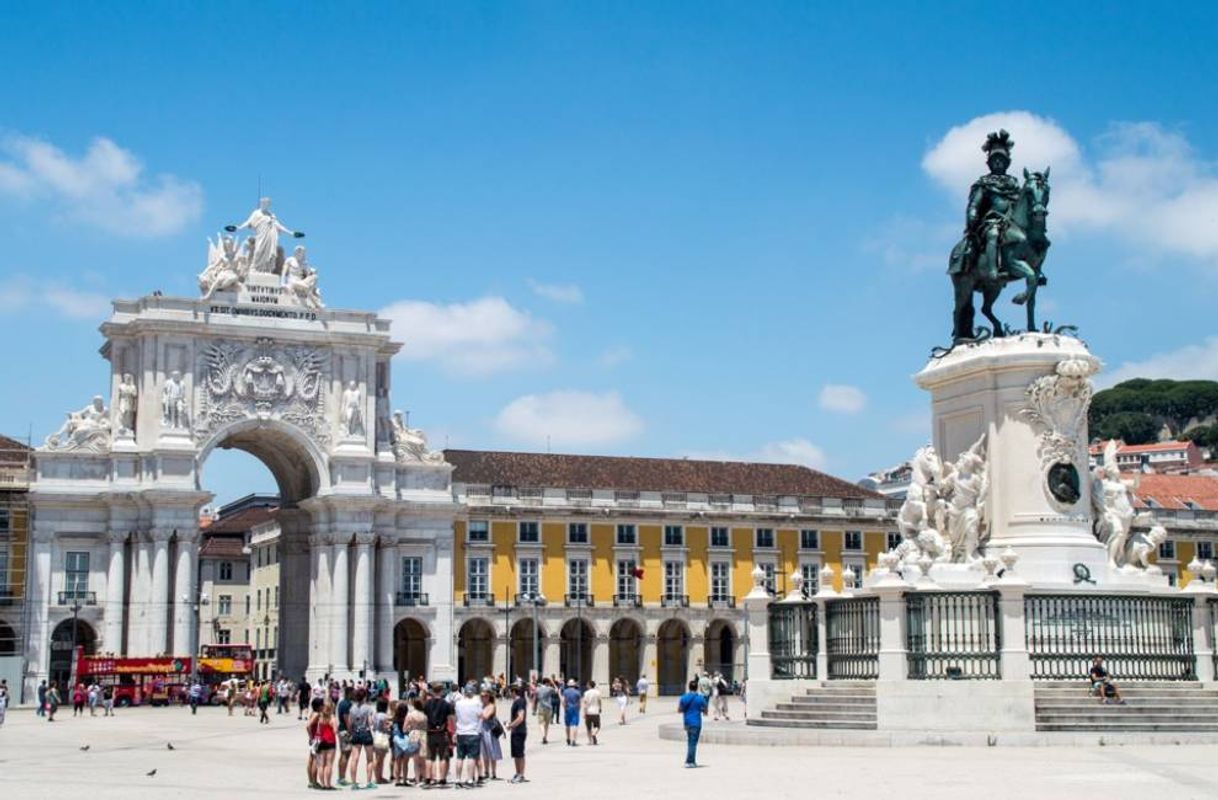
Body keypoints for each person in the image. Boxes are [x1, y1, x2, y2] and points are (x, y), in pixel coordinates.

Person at [423, 681, 454, 787]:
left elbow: (424, 718)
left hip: (430, 732)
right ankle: (442, 779)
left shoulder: (427, 703)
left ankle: (428, 778)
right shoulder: (446, 704)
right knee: (443, 757)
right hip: (442, 733)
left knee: (429, 757)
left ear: (432, 690)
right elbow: (450, 719)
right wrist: (453, 732)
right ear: (441, 691)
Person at [453, 684, 484, 788]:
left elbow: (456, 717)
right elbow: (481, 715)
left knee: (460, 757)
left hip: (461, 732)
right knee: (471, 757)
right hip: (473, 732)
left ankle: (457, 779)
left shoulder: (458, 703)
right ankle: (470, 779)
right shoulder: (476, 703)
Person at [346, 688, 377, 789]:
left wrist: (351, 732)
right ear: (364, 697)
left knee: (354, 759)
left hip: (356, 733)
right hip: (366, 732)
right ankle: (368, 782)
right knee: (369, 759)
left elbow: (350, 724)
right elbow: (370, 722)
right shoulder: (368, 708)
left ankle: (354, 783)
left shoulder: (352, 708)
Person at [678, 679, 708, 768]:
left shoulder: (683, 697)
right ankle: (690, 761)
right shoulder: (700, 698)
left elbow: (679, 710)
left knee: (690, 741)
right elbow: (705, 711)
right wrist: (701, 710)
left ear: (689, 687)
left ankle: (690, 760)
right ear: (697, 688)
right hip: (696, 722)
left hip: (687, 722)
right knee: (693, 743)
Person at [505, 684, 528, 784]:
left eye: (510, 691)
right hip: (516, 731)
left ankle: (521, 774)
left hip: (519, 731)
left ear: (514, 691)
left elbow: (520, 717)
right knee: (515, 754)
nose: (509, 693)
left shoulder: (520, 701)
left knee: (519, 754)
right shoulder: (517, 701)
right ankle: (517, 773)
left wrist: (511, 725)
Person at [403, 697, 429, 786]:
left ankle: (417, 780)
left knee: (415, 760)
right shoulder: (424, 716)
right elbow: (426, 727)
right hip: (423, 734)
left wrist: (409, 728)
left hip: (414, 734)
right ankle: (425, 779)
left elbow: (404, 728)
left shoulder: (410, 715)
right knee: (423, 760)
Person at [479, 690, 503, 781]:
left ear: (489, 697)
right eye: (481, 696)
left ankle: (493, 773)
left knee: (492, 751)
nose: (483, 698)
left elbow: (486, 716)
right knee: (484, 753)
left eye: (485, 696)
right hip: (482, 730)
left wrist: (475, 712)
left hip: (490, 731)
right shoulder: (481, 706)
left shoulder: (491, 706)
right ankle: (486, 772)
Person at [314, 702, 339, 790]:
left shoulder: (320, 718)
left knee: (321, 765)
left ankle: (323, 784)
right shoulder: (332, 718)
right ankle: (328, 784)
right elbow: (335, 731)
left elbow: (318, 730)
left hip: (321, 742)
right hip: (330, 742)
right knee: (329, 764)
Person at [335, 686, 354, 785]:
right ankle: (342, 778)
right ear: (349, 693)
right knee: (345, 754)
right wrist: (351, 732)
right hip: (345, 731)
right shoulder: (347, 704)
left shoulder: (341, 703)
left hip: (341, 730)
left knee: (343, 754)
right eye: (353, 692)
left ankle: (340, 777)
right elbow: (347, 720)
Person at [306, 696, 325, 789]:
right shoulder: (317, 714)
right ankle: (314, 781)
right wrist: (311, 737)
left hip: (313, 739)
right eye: (322, 704)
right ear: (318, 706)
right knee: (316, 761)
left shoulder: (313, 713)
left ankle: (311, 781)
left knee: (311, 759)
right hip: (316, 739)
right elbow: (308, 726)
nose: (323, 706)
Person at [561, 678, 582, 746]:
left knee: (567, 725)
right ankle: (574, 740)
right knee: (575, 725)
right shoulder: (577, 692)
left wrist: (564, 708)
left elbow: (564, 701)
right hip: (575, 709)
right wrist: (579, 709)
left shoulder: (565, 691)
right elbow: (579, 703)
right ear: (574, 685)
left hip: (567, 709)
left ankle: (568, 738)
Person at [535, 677, 555, 744]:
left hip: (541, 707)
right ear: (547, 683)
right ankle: (545, 737)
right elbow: (557, 690)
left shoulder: (538, 689)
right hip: (549, 708)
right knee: (547, 724)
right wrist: (553, 683)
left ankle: (543, 735)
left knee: (541, 723)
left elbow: (535, 695)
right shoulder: (550, 689)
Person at [582, 680, 602, 745]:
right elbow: (599, 701)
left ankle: (590, 741)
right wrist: (600, 708)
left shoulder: (586, 693)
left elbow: (585, 703)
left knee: (588, 728)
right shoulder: (598, 692)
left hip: (588, 712)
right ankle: (594, 733)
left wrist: (584, 712)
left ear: (589, 685)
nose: (586, 686)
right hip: (596, 711)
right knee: (597, 726)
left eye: (587, 684)